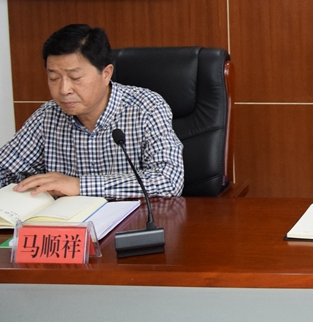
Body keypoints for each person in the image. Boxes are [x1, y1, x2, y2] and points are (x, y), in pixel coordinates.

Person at [0, 24, 184, 198]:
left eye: (75, 77)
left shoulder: (146, 108)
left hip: (133, 219)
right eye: (54, 78)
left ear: (106, 74)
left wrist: (79, 186)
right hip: (66, 220)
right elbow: (4, 170)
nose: (64, 90)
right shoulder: (47, 116)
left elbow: (169, 180)